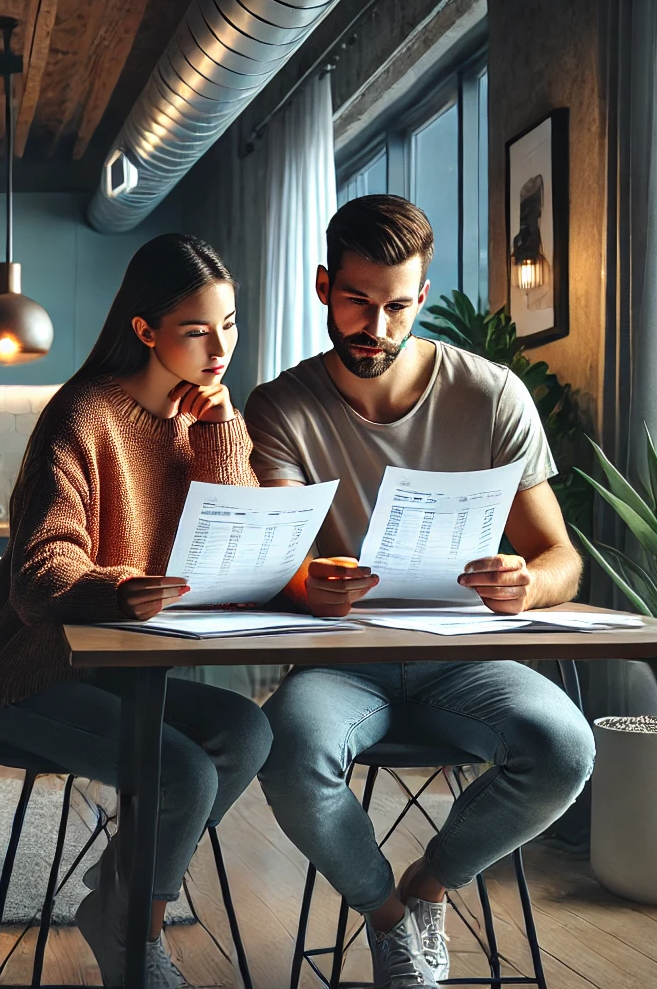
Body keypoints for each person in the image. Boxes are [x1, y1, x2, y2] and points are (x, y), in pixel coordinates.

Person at [246, 196, 596, 989]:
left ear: (423, 298)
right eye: (357, 302)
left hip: (462, 656)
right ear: (323, 285)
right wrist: (308, 585)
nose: (377, 326)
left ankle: (429, 887)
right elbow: (277, 562)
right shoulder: (279, 407)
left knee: (564, 749)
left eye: (398, 307)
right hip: (340, 663)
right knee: (288, 751)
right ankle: (384, 915)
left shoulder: (492, 395)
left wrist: (527, 583)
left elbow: (560, 557)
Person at [0, 233, 272, 989]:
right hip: (29, 677)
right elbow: (40, 576)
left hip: (126, 672)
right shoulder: (83, 415)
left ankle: (118, 905)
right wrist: (116, 588)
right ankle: (136, 938)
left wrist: (222, 437)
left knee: (248, 730)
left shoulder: (206, 423)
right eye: (196, 329)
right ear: (145, 330)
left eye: (228, 324)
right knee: (184, 777)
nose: (218, 346)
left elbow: (242, 545)